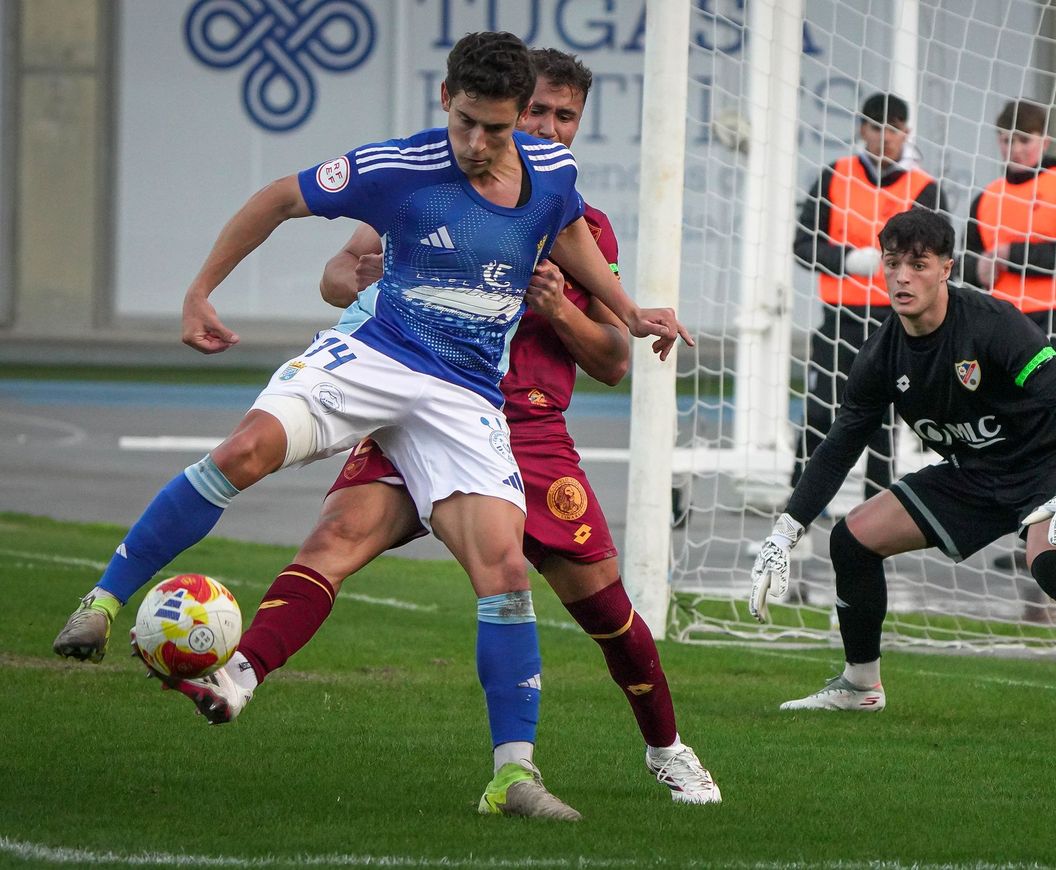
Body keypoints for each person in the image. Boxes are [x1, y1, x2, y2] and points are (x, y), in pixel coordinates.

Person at [51, 32, 687, 819]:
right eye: (464, 123)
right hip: (377, 357)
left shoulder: (553, 173)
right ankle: (104, 602)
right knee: (246, 452)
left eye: (494, 128)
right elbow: (278, 198)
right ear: (445, 101)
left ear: (518, 116)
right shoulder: (401, 166)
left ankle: (511, 778)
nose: (477, 145)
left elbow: (571, 240)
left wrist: (631, 308)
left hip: (464, 397)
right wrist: (199, 292)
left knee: (505, 573)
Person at [749, 209, 1056, 740]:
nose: (902, 277)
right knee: (852, 539)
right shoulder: (882, 354)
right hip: (973, 474)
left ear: (946, 269)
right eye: (892, 263)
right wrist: (786, 530)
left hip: (1048, 467)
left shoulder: (992, 323)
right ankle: (861, 685)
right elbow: (840, 445)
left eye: (918, 264)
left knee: (1050, 565)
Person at [792, 92, 949, 502]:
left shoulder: (925, 188)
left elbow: (941, 256)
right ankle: (799, 506)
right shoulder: (835, 176)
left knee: (884, 421)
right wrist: (846, 259)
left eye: (894, 130)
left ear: (906, 133)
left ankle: (875, 515)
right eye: (876, 128)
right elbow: (803, 244)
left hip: (895, 322)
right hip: (840, 316)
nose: (885, 138)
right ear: (862, 129)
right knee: (819, 411)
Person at [961, 99, 1056, 375]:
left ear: (1045, 142)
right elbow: (963, 260)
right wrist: (977, 268)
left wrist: (1013, 255)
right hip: (1004, 317)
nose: (1014, 149)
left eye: (1023, 140)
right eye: (1006, 141)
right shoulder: (986, 197)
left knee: (1046, 397)